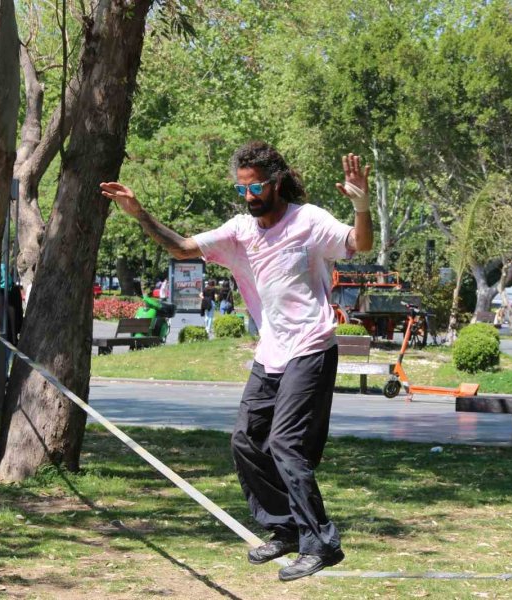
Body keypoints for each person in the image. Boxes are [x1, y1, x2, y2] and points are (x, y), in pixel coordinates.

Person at [100, 141, 373, 581]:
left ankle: (320, 542)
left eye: (256, 187)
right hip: (271, 352)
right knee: (246, 440)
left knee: (286, 444)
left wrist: (361, 206)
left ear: (276, 183)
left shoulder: (308, 221)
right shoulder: (240, 231)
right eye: (242, 188)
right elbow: (182, 247)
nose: (249, 196)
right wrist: (139, 213)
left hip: (311, 346)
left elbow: (359, 243)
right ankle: (284, 528)